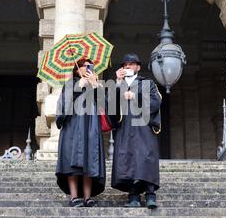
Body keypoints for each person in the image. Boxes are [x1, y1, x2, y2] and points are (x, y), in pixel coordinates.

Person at [109, 53, 162, 209]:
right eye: (125, 64)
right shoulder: (118, 84)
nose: (128, 67)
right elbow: (110, 108)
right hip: (125, 128)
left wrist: (136, 95)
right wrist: (118, 84)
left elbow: (155, 102)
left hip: (144, 127)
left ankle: (150, 195)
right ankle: (133, 196)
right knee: (128, 160)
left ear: (138, 67)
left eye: (132, 64)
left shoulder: (148, 83)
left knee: (146, 158)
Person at [55, 59, 106, 207]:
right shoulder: (71, 84)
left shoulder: (96, 84)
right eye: (86, 66)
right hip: (72, 127)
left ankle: (88, 197)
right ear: (77, 70)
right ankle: (74, 197)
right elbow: (63, 106)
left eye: (91, 66)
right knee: (72, 163)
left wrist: (95, 84)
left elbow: (104, 105)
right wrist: (78, 87)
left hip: (91, 127)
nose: (89, 68)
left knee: (89, 161)